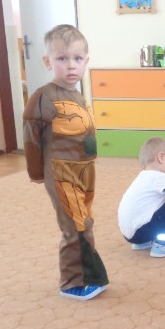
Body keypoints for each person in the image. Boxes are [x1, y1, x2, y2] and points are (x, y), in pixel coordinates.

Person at [23, 24, 108, 301]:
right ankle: (71, 282)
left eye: (77, 58)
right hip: (61, 173)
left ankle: (91, 274)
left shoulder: (77, 94)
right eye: (62, 58)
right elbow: (31, 138)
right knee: (74, 226)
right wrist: (36, 172)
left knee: (85, 221)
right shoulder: (43, 96)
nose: (71, 65)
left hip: (84, 171)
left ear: (86, 61)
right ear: (47, 61)